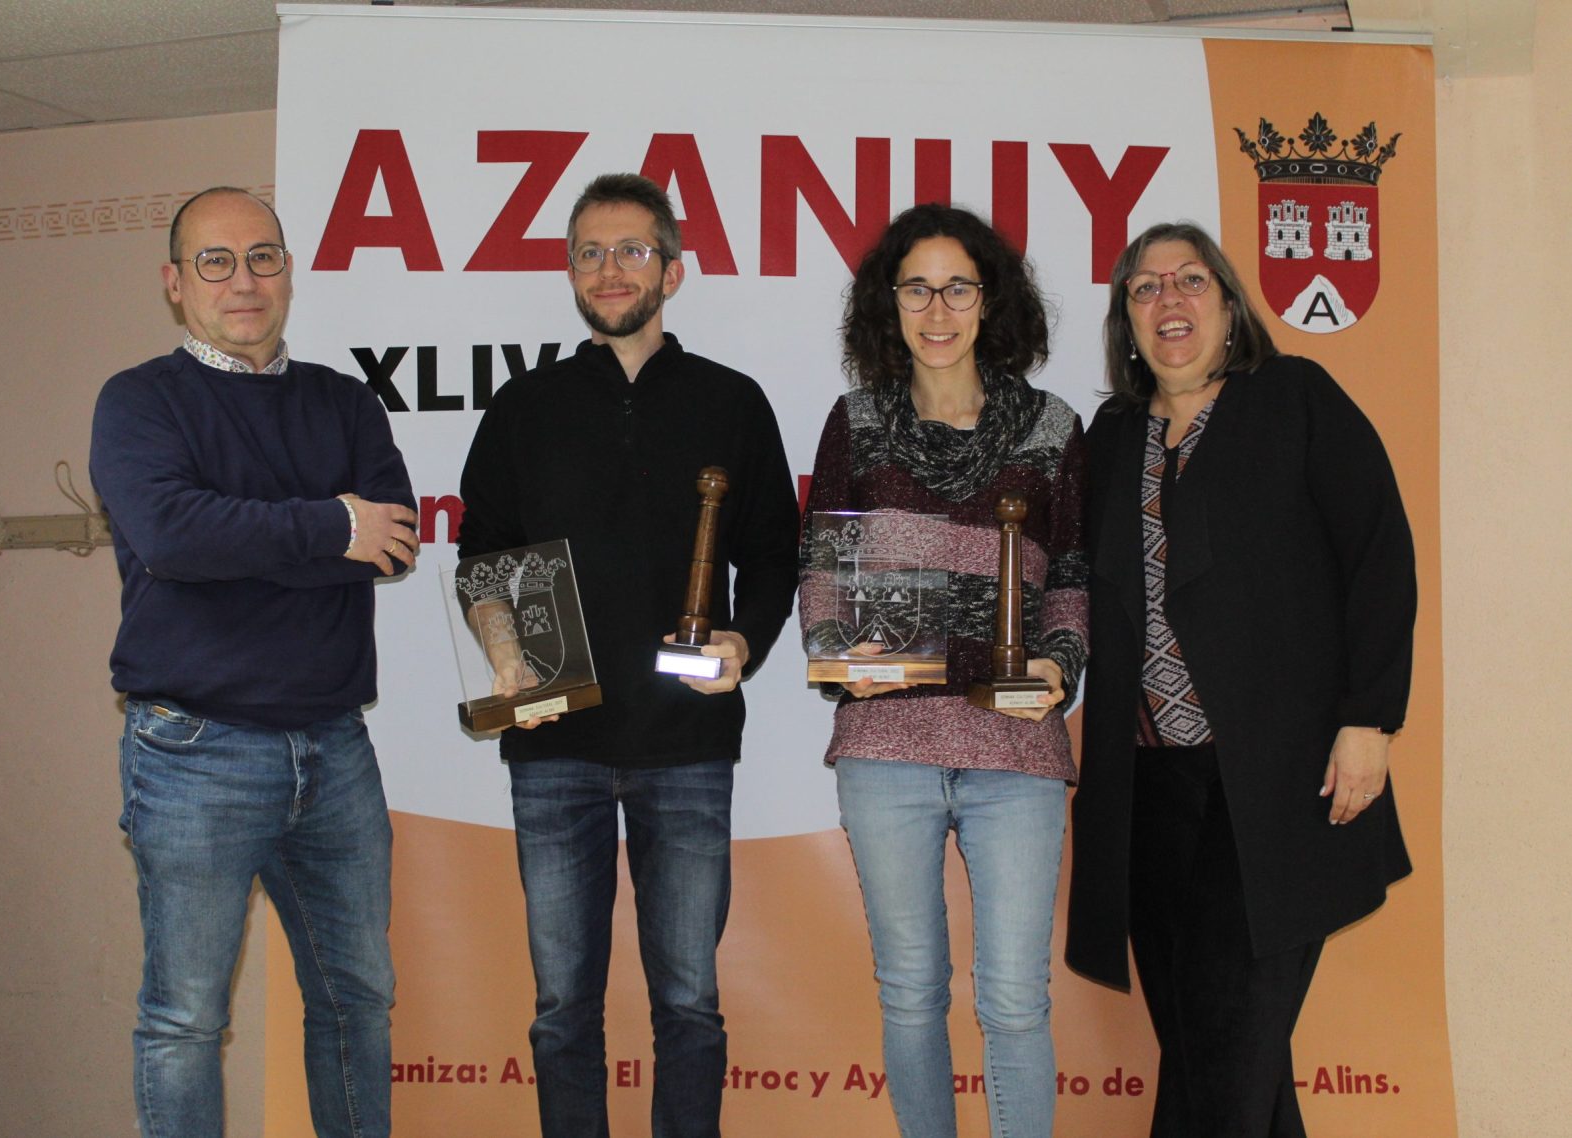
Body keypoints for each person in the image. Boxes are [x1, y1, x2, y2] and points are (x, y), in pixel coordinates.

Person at [455, 172, 800, 1138]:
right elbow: (481, 553)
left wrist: (745, 638)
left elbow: (775, 553)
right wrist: (503, 647)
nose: (610, 270)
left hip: (687, 744)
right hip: (553, 742)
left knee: (687, 1005)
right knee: (562, 1011)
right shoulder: (524, 407)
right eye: (589, 253)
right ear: (569, 272)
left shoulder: (733, 402)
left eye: (632, 250)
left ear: (674, 271)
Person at [1064, 221, 1416, 1138]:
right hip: (1148, 794)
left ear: (1227, 303)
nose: (1167, 302)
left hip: (1274, 788)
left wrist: (1368, 720)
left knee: (1220, 1065)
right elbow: (1066, 586)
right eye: (1143, 289)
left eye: (1189, 282)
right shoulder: (1108, 434)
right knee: (1216, 1054)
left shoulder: (1293, 398)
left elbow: (1377, 553)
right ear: (1124, 320)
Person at [91, 186, 419, 1138]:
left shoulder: (344, 401)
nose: (245, 281)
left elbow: (391, 542)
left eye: (264, 257)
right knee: (187, 1018)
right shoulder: (139, 400)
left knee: (358, 998)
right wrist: (327, 528)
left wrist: (255, 541)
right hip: (193, 750)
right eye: (217, 262)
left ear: (288, 271)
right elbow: (173, 539)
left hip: (335, 749)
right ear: (174, 284)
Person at [799, 202, 1088, 1138]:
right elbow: (823, 570)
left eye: (957, 286)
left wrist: (1063, 661)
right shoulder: (855, 421)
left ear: (989, 299)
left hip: (1014, 750)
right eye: (915, 287)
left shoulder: (1051, 426)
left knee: (1012, 1000)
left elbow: (1074, 574)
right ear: (888, 304)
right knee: (911, 992)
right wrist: (836, 655)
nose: (936, 308)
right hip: (886, 743)